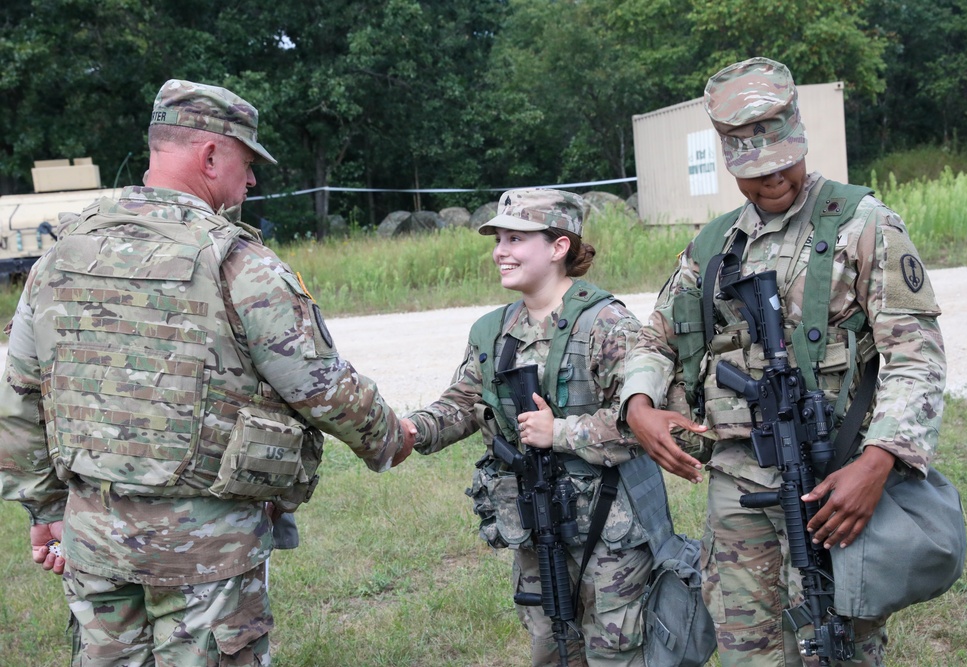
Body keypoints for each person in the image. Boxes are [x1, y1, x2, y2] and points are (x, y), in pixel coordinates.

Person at [0, 79, 411, 666]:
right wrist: (393, 438)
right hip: (207, 558)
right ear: (210, 155)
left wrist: (45, 513)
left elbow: (19, 400)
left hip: (93, 541)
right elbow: (323, 389)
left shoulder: (59, 257)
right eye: (246, 162)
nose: (251, 181)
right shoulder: (238, 262)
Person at [620, 57, 946, 666]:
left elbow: (916, 358)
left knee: (841, 643)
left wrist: (879, 462)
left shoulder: (863, 224)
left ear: (800, 140)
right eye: (753, 170)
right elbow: (654, 338)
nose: (772, 180)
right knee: (750, 652)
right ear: (728, 162)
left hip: (836, 482)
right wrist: (639, 405)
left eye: (782, 162)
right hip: (738, 493)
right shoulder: (713, 245)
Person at [401, 188, 675, 666]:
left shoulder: (605, 322)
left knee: (617, 652)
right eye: (498, 239)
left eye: (515, 238)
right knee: (551, 650)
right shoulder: (493, 331)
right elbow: (463, 404)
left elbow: (645, 422)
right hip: (537, 524)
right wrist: (408, 430)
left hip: (610, 532)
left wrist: (562, 433)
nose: (500, 252)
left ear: (558, 246)